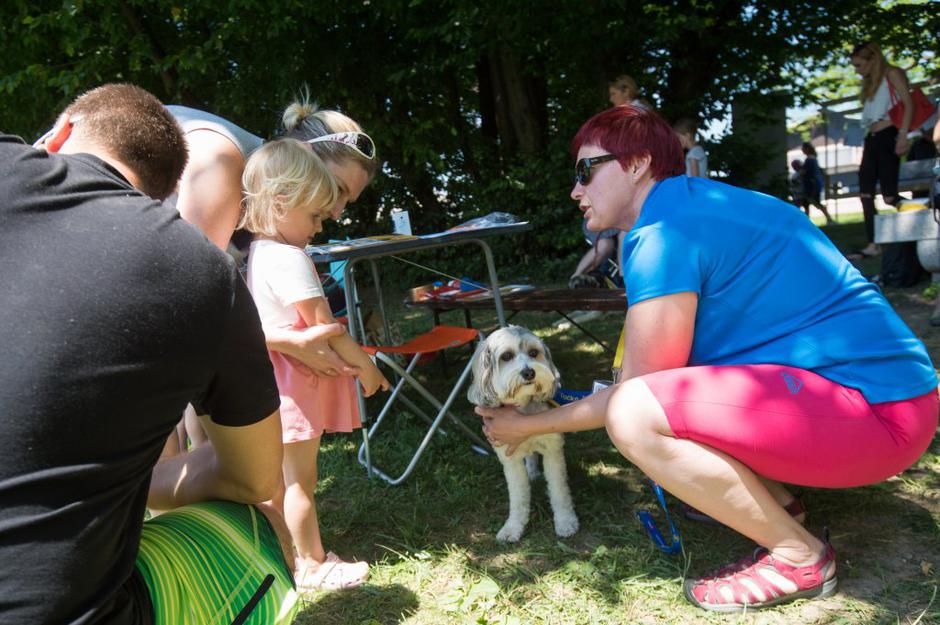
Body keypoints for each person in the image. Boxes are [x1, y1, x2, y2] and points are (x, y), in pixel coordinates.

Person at [477, 104, 938, 613]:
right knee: (667, 395)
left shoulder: (663, 232)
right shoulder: (700, 206)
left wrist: (524, 426)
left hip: (877, 415)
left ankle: (798, 556)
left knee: (634, 414)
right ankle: (781, 506)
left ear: (637, 165)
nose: (576, 190)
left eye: (586, 170)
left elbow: (635, 394)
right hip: (890, 399)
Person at [1, 83, 300, 624]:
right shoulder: (202, 270)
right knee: (257, 529)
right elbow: (254, 478)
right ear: (168, 190)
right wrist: (139, 486)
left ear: (60, 134)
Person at [164, 95, 381, 449]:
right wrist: (284, 342)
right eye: (338, 189)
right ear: (301, 153)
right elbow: (184, 304)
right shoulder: (223, 169)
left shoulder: (268, 217)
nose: (337, 212)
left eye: (346, 201)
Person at [241, 139, 390, 591]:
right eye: (314, 216)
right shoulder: (290, 258)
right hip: (295, 387)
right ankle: (312, 564)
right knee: (300, 482)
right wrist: (367, 368)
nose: (319, 227)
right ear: (281, 202)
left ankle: (284, 559)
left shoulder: (259, 252)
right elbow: (327, 328)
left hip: (268, 383)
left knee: (278, 483)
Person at [850, 41, 914, 258]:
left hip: (889, 135)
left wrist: (903, 135)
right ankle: (873, 244)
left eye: (859, 65)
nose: (857, 71)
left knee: (889, 196)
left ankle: (928, 214)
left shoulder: (892, 73)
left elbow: (909, 103)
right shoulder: (870, 83)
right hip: (872, 138)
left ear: (873, 60)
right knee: (865, 192)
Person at [799, 142, 835, 225]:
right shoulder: (813, 159)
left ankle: (829, 219)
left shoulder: (809, 160)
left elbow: (803, 172)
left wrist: (799, 171)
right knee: (807, 203)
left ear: (807, 149)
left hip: (812, 186)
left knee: (815, 203)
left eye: (803, 148)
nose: (802, 150)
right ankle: (807, 221)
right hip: (814, 185)